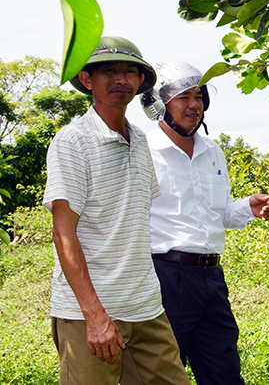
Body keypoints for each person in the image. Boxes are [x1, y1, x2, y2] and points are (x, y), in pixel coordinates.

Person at [43, 37, 190, 385]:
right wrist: (95, 316)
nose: (121, 80)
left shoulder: (139, 140)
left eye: (130, 72)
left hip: (146, 307)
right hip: (89, 314)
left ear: (141, 82)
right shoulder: (72, 141)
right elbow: (63, 233)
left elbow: (137, 219)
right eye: (109, 71)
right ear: (86, 79)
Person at [140, 59, 269, 385]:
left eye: (199, 96)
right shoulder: (143, 151)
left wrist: (247, 207)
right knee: (162, 375)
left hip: (211, 278)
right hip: (165, 277)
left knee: (223, 373)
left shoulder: (213, 151)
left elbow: (217, 214)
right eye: (184, 97)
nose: (195, 105)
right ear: (161, 104)